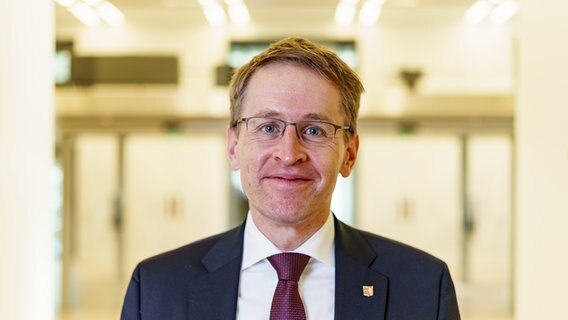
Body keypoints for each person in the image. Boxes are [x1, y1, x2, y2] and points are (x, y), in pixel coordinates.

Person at [120, 37, 461, 320]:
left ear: (350, 153)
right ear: (234, 146)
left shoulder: (422, 288)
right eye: (268, 127)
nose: (288, 152)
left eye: (314, 130)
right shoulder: (157, 288)